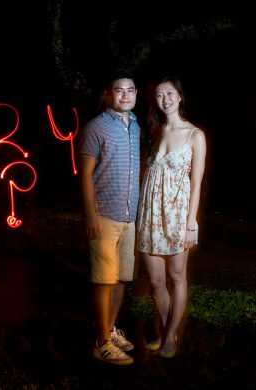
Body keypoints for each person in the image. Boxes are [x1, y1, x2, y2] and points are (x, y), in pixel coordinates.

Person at [137, 75, 207, 358]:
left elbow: (197, 182)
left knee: (177, 276)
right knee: (155, 282)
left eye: (170, 94)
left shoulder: (195, 135)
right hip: (150, 214)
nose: (165, 99)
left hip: (178, 217)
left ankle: (168, 339)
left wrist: (191, 224)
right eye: (159, 95)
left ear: (179, 97)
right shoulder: (156, 131)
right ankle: (170, 331)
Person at [79, 71, 141, 365]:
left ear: (136, 94)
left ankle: (110, 330)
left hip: (130, 216)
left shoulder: (137, 127)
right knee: (103, 280)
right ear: (108, 94)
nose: (125, 95)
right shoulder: (96, 127)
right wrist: (90, 213)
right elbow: (86, 174)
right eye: (119, 90)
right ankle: (101, 343)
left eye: (130, 90)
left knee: (121, 279)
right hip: (104, 215)